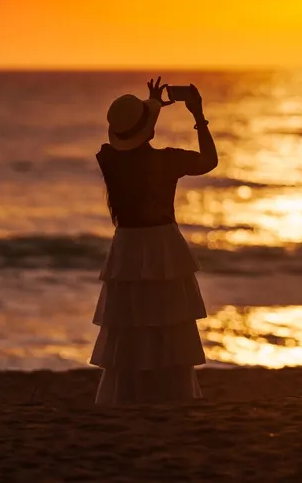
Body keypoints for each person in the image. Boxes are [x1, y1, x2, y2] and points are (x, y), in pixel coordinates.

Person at [89, 77, 217, 404]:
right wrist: (197, 114)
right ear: (149, 130)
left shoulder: (110, 161)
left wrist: (151, 110)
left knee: (131, 323)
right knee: (167, 320)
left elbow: (130, 144)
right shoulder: (167, 161)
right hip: (163, 247)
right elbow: (208, 161)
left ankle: (131, 396)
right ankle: (169, 394)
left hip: (128, 247)